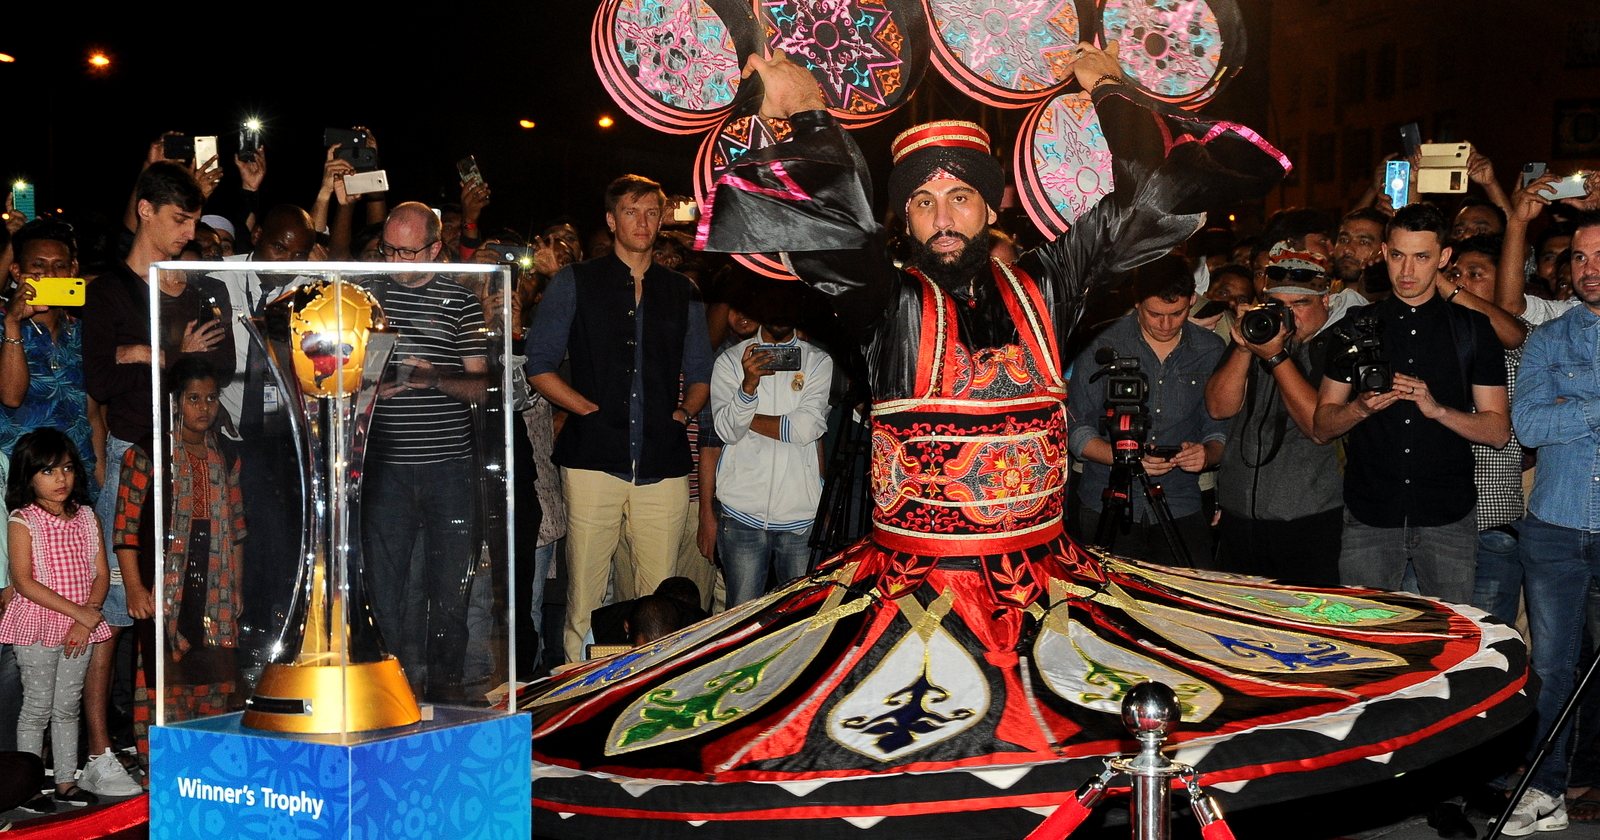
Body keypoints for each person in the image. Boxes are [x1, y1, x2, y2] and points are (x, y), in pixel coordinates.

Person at [521, 49, 1529, 839]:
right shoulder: (885, 304)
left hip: (1054, 589)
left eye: (959, 195)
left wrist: (1112, 93)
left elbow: (1154, 205)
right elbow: (821, 231)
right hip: (903, 595)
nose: (941, 216)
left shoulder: (1049, 285)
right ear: (905, 223)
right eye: (921, 201)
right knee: (912, 786)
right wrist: (805, 117)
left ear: (992, 204)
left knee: (1079, 769)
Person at [524, 175, 711, 663]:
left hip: (662, 462)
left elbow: (700, 371)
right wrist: (584, 407)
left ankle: (646, 695)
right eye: (631, 212)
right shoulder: (576, 281)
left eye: (651, 212)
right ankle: (576, 690)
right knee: (584, 595)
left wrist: (685, 411)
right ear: (611, 220)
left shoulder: (682, 290)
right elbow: (539, 363)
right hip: (591, 461)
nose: (643, 222)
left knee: (660, 604)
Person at [1314, 202, 1510, 604]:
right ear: (1384, 252)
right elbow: (1321, 425)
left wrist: (1438, 410)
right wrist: (1360, 408)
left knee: (1449, 647)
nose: (1407, 271)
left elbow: (1497, 432)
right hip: (1370, 514)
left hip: (1447, 515)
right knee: (1366, 644)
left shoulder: (1472, 330)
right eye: (1399, 255)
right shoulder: (1355, 326)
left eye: (1421, 257)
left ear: (1444, 257)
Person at [361, 202, 488, 703]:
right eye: (388, 250)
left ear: (436, 248)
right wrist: (372, 385)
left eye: (407, 251)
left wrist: (431, 376)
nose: (394, 261)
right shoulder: (366, 298)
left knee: (450, 589)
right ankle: (389, 690)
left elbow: (481, 387)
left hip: (448, 468)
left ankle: (448, 691)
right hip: (385, 466)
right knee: (386, 592)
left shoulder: (460, 302)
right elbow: (341, 373)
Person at [1502, 213, 1600, 836]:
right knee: (1553, 668)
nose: (1591, 268)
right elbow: (1530, 426)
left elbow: (1551, 416)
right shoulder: (1547, 339)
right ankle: (1545, 789)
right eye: (1582, 257)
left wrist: (1576, 402)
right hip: (1556, 525)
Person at [1068, 255, 1225, 567]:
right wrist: (1124, 457)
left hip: (1180, 500)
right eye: (1155, 314)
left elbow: (1219, 427)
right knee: (1108, 604)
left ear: (1192, 300)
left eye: (1177, 313)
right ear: (1136, 301)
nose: (1165, 324)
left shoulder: (1209, 349)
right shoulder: (1099, 343)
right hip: (1106, 497)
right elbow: (1075, 426)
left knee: (1184, 603)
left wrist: (1207, 454)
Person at [1205, 243, 1342, 584]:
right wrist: (1242, 346)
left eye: (1301, 304)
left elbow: (1316, 426)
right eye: (1278, 306)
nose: (1289, 316)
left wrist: (1277, 358)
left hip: (1306, 521)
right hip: (1241, 519)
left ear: (1326, 301)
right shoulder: (1257, 337)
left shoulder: (1337, 347)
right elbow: (1219, 408)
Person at [117, 360, 244, 722]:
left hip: (215, 579)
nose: (204, 408)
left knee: (214, 668)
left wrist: (236, 587)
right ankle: (161, 766)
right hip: (164, 582)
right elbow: (125, 529)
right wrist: (135, 589)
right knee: (163, 671)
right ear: (175, 402)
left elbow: (237, 530)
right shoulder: (146, 455)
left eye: (211, 398)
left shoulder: (227, 455)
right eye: (194, 399)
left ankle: (208, 760)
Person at [0, 429, 110, 810]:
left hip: (79, 628)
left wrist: (86, 619)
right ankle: (28, 786)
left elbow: (100, 572)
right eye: (47, 471)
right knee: (36, 708)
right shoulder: (22, 520)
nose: (60, 479)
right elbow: (24, 581)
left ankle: (65, 781)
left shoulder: (86, 517)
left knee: (67, 706)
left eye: (65, 468)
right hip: (38, 626)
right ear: (27, 477)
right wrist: (79, 612)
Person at [710, 318, 832, 605]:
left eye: (787, 306)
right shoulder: (730, 360)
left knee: (799, 618)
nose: (780, 312)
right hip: (741, 512)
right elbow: (726, 430)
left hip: (799, 516)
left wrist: (744, 417)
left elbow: (806, 429)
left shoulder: (817, 361)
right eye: (772, 304)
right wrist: (748, 386)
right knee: (740, 618)